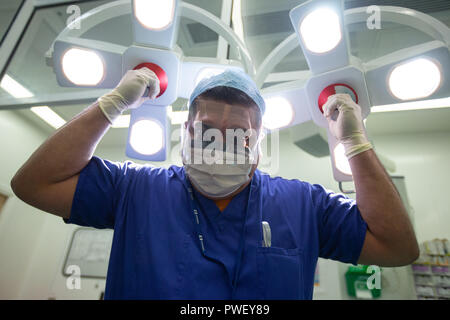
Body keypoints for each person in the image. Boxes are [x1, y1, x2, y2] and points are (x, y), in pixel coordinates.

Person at [10, 68, 419, 299]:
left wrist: (353, 141)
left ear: (258, 141)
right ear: (185, 130)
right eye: (207, 130)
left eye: (238, 135)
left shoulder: (303, 205)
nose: (220, 146)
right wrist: (113, 102)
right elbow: (34, 184)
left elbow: (398, 247)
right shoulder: (134, 189)